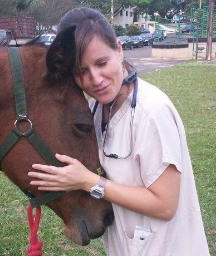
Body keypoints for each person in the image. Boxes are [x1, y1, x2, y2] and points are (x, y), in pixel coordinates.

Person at [28, 7, 210, 256]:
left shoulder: (151, 112)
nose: (95, 79)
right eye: (81, 72)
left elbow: (165, 204)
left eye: (101, 63)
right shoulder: (95, 109)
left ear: (119, 49)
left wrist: (89, 181)